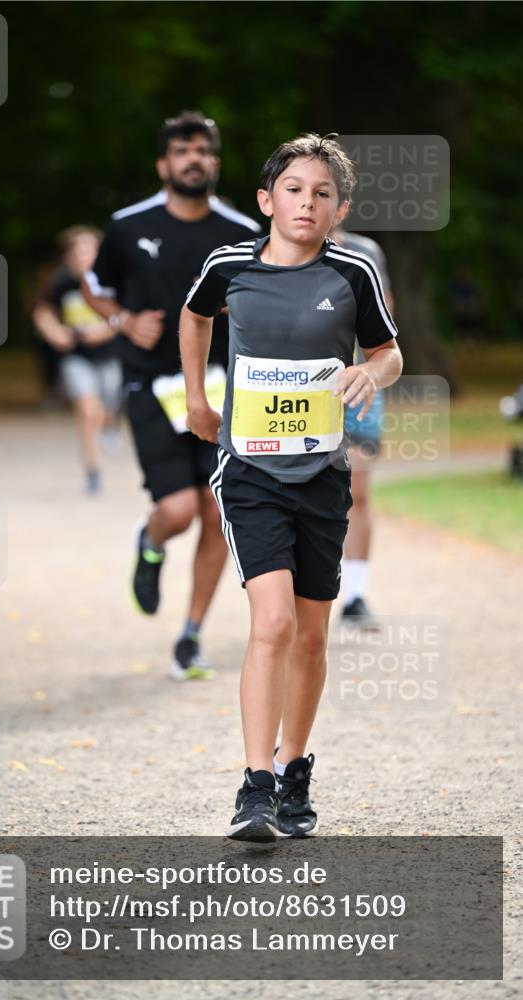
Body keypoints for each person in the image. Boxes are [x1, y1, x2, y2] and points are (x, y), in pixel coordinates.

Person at [180, 133, 403, 841]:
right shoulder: (229, 265)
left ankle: (293, 766)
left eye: (322, 194)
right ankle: (254, 788)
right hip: (249, 470)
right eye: (294, 190)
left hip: (322, 474)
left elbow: (388, 351)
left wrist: (370, 372)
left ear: (339, 210)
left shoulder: (352, 272)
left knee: (310, 636)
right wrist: (196, 399)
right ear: (265, 200)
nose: (307, 203)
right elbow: (194, 315)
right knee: (271, 622)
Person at [83, 110, 260, 679]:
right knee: (179, 511)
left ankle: (191, 634)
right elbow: (95, 287)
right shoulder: (127, 225)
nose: (194, 159)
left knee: (217, 509)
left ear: (216, 161)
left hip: (222, 388)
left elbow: (263, 299)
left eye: (203, 150)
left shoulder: (242, 232)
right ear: (164, 164)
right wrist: (123, 321)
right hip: (150, 383)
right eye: (183, 151)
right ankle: (151, 538)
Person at [331, 227, 395, 630]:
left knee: (357, 490)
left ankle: (354, 596)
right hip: (298, 389)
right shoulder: (275, 249)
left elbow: (386, 319)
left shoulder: (365, 251)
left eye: (327, 197)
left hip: (359, 384)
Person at [32, 226, 121, 494]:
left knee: (106, 409)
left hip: (110, 356)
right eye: (77, 251)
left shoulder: (111, 279)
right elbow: (42, 311)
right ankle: (92, 468)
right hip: (76, 357)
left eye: (88, 250)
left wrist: (106, 330)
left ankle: (109, 426)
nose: (82, 256)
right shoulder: (60, 281)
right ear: (68, 256)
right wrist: (55, 333)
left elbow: (127, 313)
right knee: (87, 409)